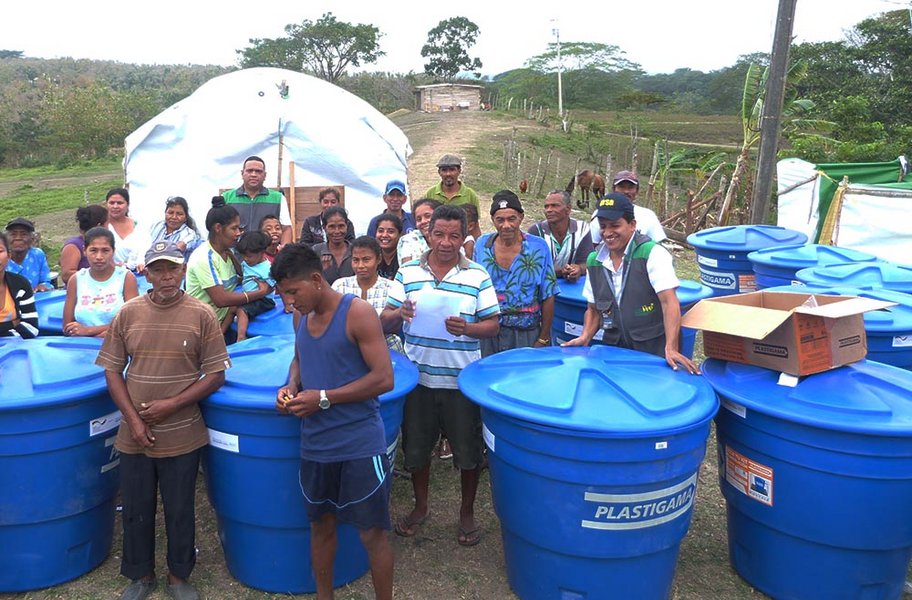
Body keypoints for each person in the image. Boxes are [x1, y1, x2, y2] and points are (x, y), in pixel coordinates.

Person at [96, 240, 230, 600]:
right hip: (133, 433)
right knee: (137, 507)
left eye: (172, 268)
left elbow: (215, 374)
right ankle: (140, 575)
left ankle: (178, 575)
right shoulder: (129, 313)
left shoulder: (202, 314)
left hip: (182, 432)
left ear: (183, 270)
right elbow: (111, 370)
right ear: (147, 273)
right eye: (158, 269)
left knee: (180, 505)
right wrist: (134, 421)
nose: (166, 276)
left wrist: (172, 405)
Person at [272, 243, 394, 600]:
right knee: (320, 526)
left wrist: (324, 397)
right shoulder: (302, 317)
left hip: (358, 442)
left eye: (293, 292)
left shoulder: (357, 313)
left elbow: (384, 378)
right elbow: (300, 358)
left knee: (372, 532)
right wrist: (291, 385)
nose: (291, 302)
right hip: (316, 444)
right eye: (285, 295)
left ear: (315, 279)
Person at [380, 205, 500, 547]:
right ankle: (420, 507)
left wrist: (469, 328)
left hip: (461, 382)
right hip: (418, 379)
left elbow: (493, 325)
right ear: (427, 234)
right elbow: (385, 319)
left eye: (454, 236)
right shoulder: (407, 273)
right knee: (416, 449)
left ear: (465, 237)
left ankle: (466, 512)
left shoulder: (477, 275)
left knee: (468, 451)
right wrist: (398, 313)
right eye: (439, 234)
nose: (446, 242)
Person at [564, 193, 699, 374]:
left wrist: (671, 348)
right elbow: (593, 309)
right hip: (615, 348)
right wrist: (585, 336)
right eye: (603, 226)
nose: (607, 232)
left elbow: (669, 302)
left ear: (632, 225)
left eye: (615, 225)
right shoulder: (594, 261)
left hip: (654, 349)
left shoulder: (651, 254)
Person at [474, 190, 558, 355]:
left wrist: (543, 338)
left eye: (511, 218)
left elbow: (548, 294)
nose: (506, 225)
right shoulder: (482, 245)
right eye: (500, 220)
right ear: (492, 220)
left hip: (526, 333)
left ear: (521, 217)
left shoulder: (538, 247)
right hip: (489, 332)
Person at [186, 197, 271, 340]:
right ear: (218, 228)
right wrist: (261, 292)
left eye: (239, 228)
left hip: (222, 323)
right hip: (203, 330)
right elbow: (221, 299)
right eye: (234, 228)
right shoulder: (204, 258)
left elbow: (236, 280)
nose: (238, 233)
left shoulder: (227, 253)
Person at [332, 236, 404, 353]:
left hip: (387, 350)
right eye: (356, 260)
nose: (360, 266)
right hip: (347, 350)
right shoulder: (340, 286)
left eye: (366, 260)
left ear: (378, 259)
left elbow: (395, 325)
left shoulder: (391, 288)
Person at [63, 227, 139, 338]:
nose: (99, 257)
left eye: (105, 251)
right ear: (84, 251)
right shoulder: (76, 279)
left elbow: (133, 322)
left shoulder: (125, 278)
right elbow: (67, 327)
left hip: (117, 345)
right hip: (81, 346)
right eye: (93, 250)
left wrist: (89, 331)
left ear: (113, 251)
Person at [222, 155, 293, 245]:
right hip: (234, 255)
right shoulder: (226, 198)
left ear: (265, 175)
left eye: (258, 171)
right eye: (249, 171)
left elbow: (286, 228)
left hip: (267, 255)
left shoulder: (278, 198)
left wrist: (283, 251)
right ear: (242, 173)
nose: (253, 174)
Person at [528, 190, 594, 283]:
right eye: (546, 206)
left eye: (555, 206)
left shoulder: (582, 229)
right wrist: (559, 272)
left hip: (572, 288)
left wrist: (578, 269)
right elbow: (531, 268)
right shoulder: (536, 231)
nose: (549, 210)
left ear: (568, 209)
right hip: (542, 287)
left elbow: (587, 263)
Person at [589, 170, 666, 245]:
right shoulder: (602, 212)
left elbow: (658, 245)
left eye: (630, 187)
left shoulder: (648, 215)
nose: (626, 191)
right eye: (621, 187)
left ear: (637, 191)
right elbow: (592, 243)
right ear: (614, 189)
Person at [234, 230, 276, 341]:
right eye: (243, 256)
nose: (245, 259)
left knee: (241, 309)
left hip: (264, 300)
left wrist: (287, 304)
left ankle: (241, 336)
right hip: (251, 296)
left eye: (249, 256)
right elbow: (241, 272)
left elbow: (276, 285)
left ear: (262, 253)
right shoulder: (248, 262)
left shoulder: (266, 268)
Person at [0, 231, 39, 338]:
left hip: (14, 350)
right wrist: (12, 324)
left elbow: (32, 328)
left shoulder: (20, 284)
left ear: (9, 255)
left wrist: (8, 334)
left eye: (0, 251)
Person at [60, 204, 108, 287]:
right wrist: (96, 274)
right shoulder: (73, 246)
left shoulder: (105, 243)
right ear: (100, 226)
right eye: (108, 224)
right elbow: (67, 275)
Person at [106, 188, 149, 272]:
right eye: (111, 203)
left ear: (128, 205)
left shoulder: (139, 226)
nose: (115, 206)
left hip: (140, 273)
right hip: (110, 274)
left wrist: (141, 262)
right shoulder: (103, 227)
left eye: (120, 203)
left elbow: (145, 248)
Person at [4, 217, 52, 292]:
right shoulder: (2, 257)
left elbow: (46, 281)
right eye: (13, 234)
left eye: (23, 234)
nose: (18, 238)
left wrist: (43, 286)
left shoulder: (37, 254)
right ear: (6, 238)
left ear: (32, 239)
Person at [313, 206, 354, 285]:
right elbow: (309, 282)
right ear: (324, 227)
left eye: (341, 226)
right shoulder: (316, 251)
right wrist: (320, 270)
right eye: (332, 227)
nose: (337, 231)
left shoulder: (355, 251)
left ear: (347, 226)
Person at [396, 198, 440, 265]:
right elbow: (407, 270)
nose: (423, 221)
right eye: (419, 219)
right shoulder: (409, 240)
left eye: (428, 216)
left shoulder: (452, 237)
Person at [373, 213, 402, 280]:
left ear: (400, 235)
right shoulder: (373, 256)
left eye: (391, 231)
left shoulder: (404, 256)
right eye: (380, 231)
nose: (384, 235)